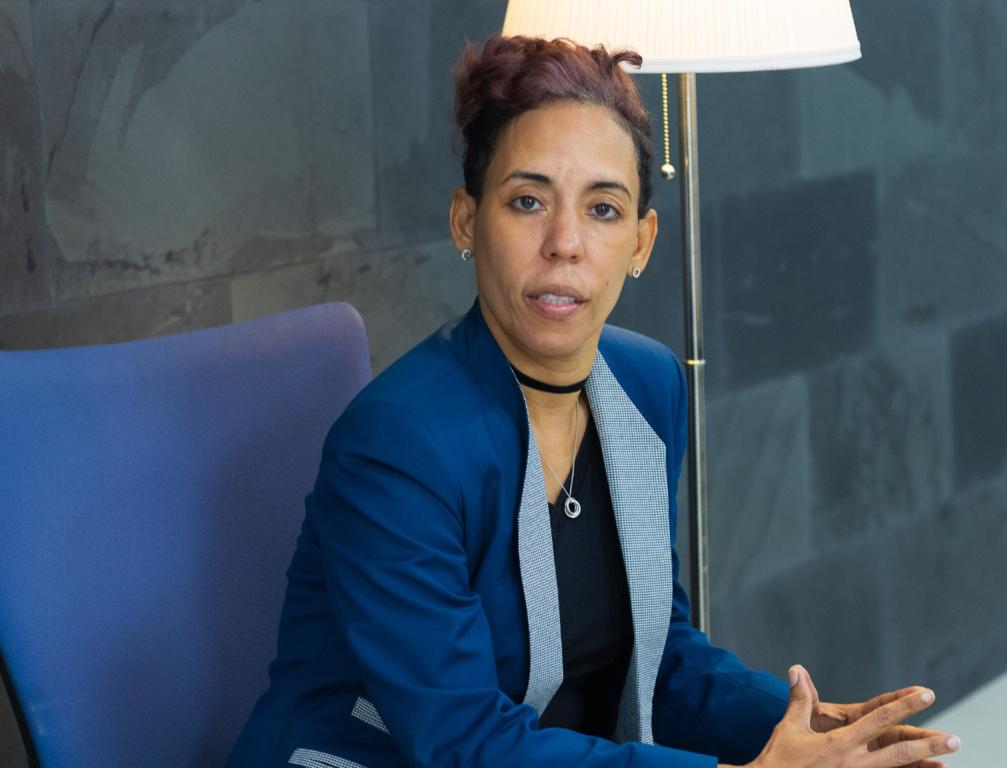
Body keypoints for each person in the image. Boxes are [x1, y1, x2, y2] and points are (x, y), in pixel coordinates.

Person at [228, 35, 960, 767]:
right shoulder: (399, 442)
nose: (565, 243)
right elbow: (462, 742)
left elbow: (662, 657)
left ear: (642, 242)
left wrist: (814, 730)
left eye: (603, 209)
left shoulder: (648, 384)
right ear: (465, 221)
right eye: (527, 201)